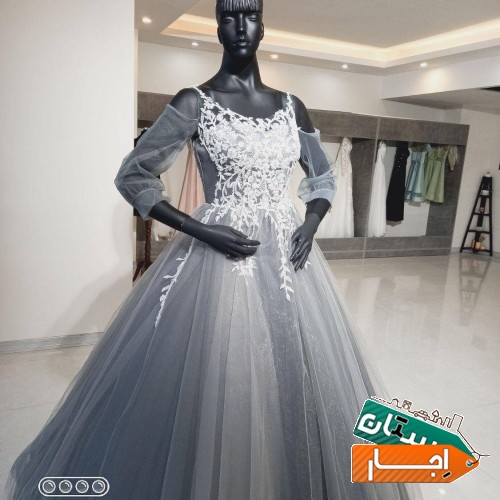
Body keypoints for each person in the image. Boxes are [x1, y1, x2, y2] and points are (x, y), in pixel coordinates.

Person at [6, 1, 422, 498]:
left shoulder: (292, 106)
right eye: (228, 15)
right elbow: (134, 175)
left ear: (263, 27)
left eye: (250, 15)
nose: (240, 26)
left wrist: (311, 221)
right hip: (218, 254)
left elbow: (322, 177)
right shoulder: (194, 102)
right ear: (217, 28)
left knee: (299, 367)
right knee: (216, 371)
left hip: (288, 255)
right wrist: (199, 230)